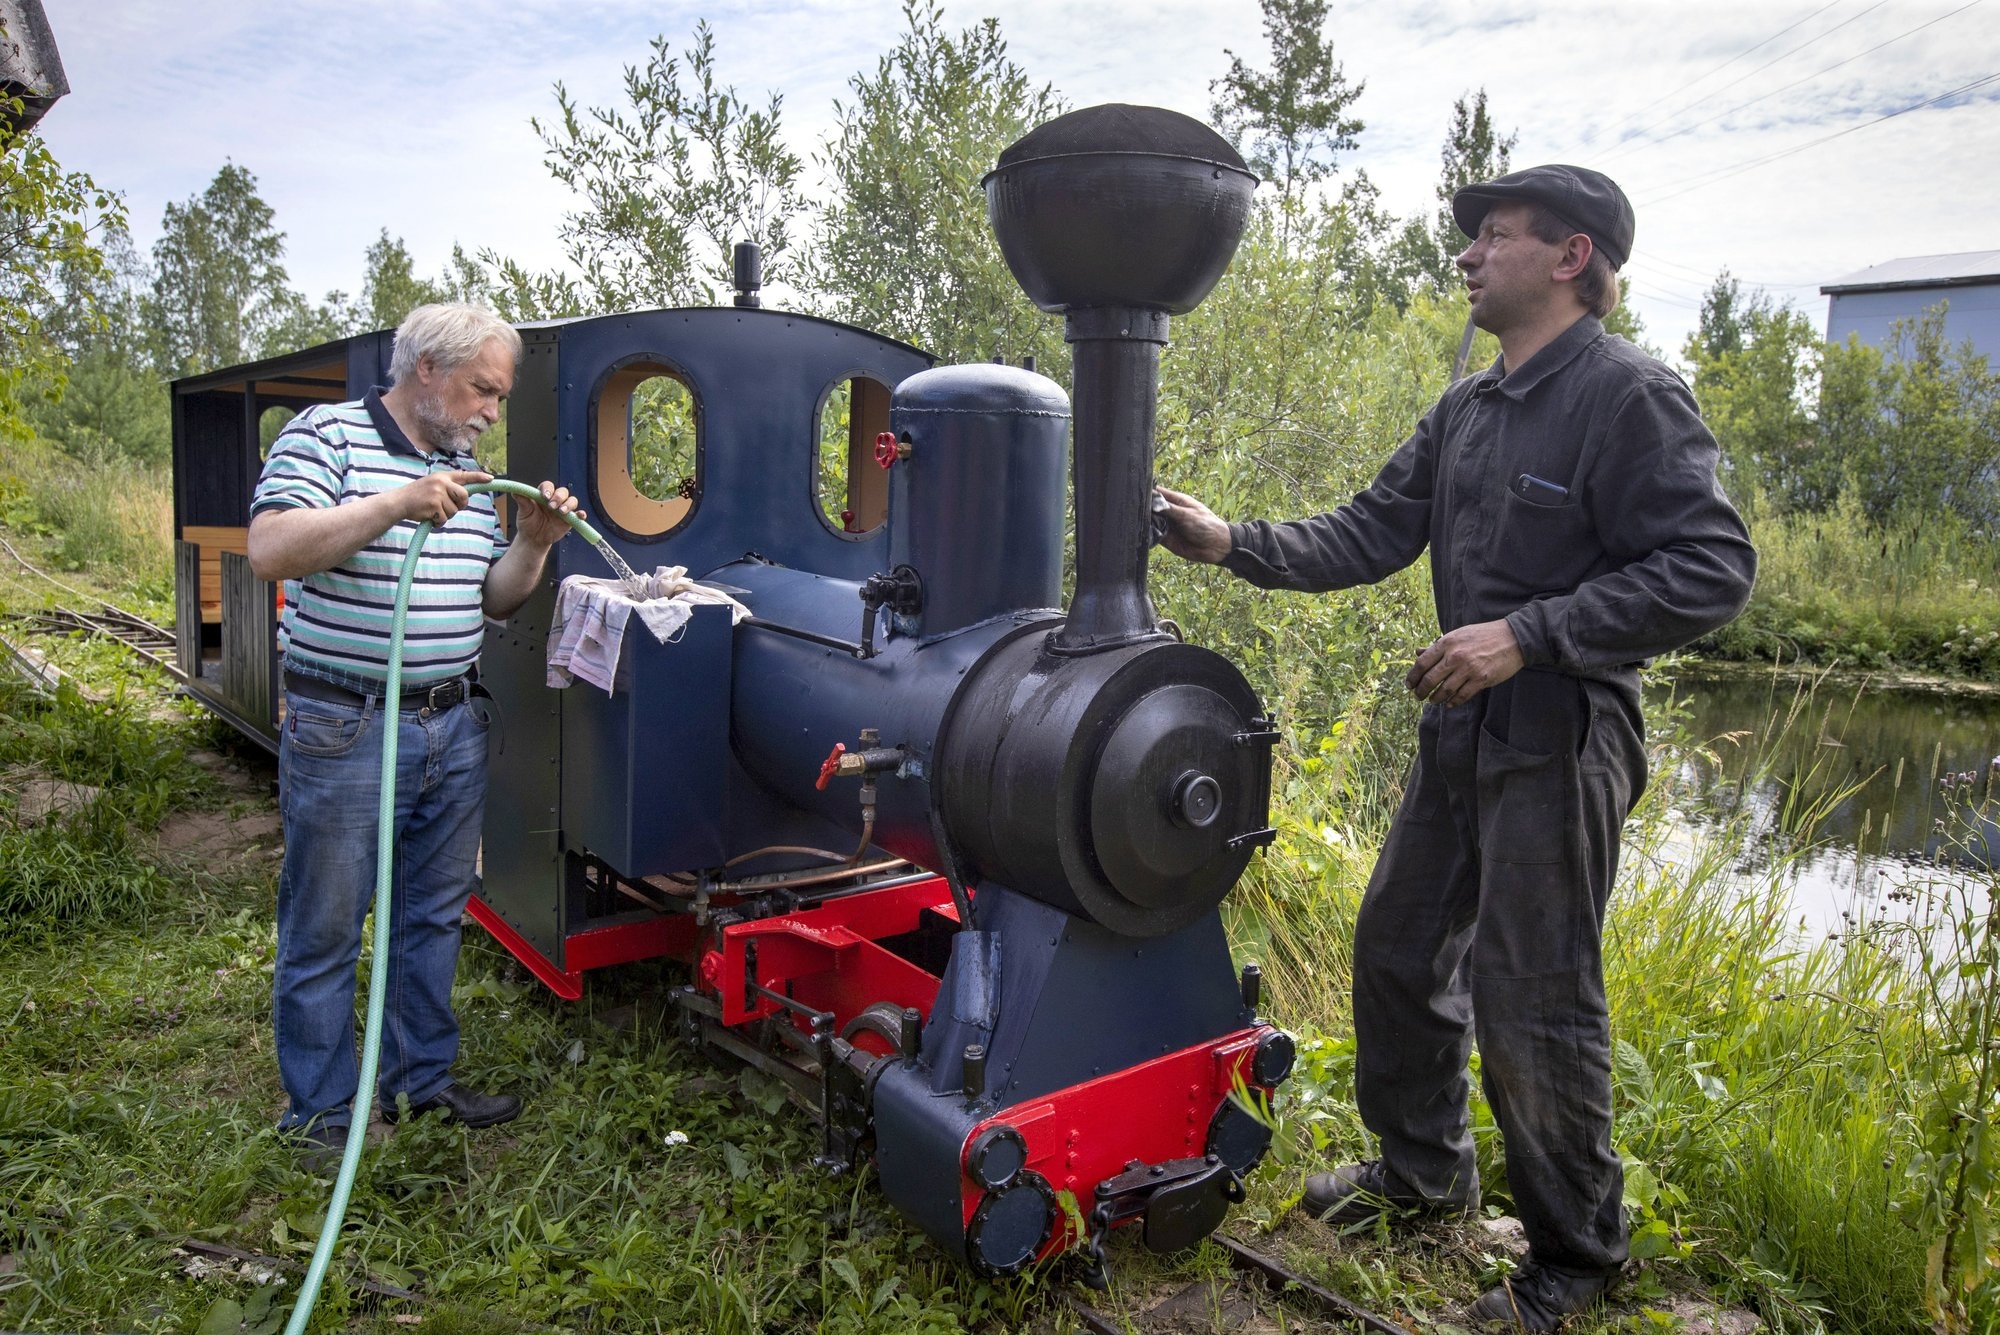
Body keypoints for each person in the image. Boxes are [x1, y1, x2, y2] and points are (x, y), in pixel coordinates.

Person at [1155, 166, 1756, 1330]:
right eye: (1470, 238)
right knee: (1394, 948)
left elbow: (1708, 570)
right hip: (1458, 735)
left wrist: (1526, 636)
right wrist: (1231, 541)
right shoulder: (1468, 410)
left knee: (1531, 996)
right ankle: (1424, 1178)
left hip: (1562, 738)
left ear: (1569, 257)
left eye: (1493, 236)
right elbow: (1368, 529)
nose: (1467, 257)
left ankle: (1575, 1261)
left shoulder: (1628, 398)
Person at [247, 303, 582, 1168]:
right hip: (348, 723)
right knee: (326, 921)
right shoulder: (324, 439)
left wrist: (536, 545)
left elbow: (495, 599)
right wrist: (395, 501)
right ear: (426, 370)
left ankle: (415, 1083)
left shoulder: (467, 474)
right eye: (483, 390)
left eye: (501, 399)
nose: (491, 414)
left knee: (431, 916)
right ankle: (321, 1114)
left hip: (452, 722)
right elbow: (273, 549)